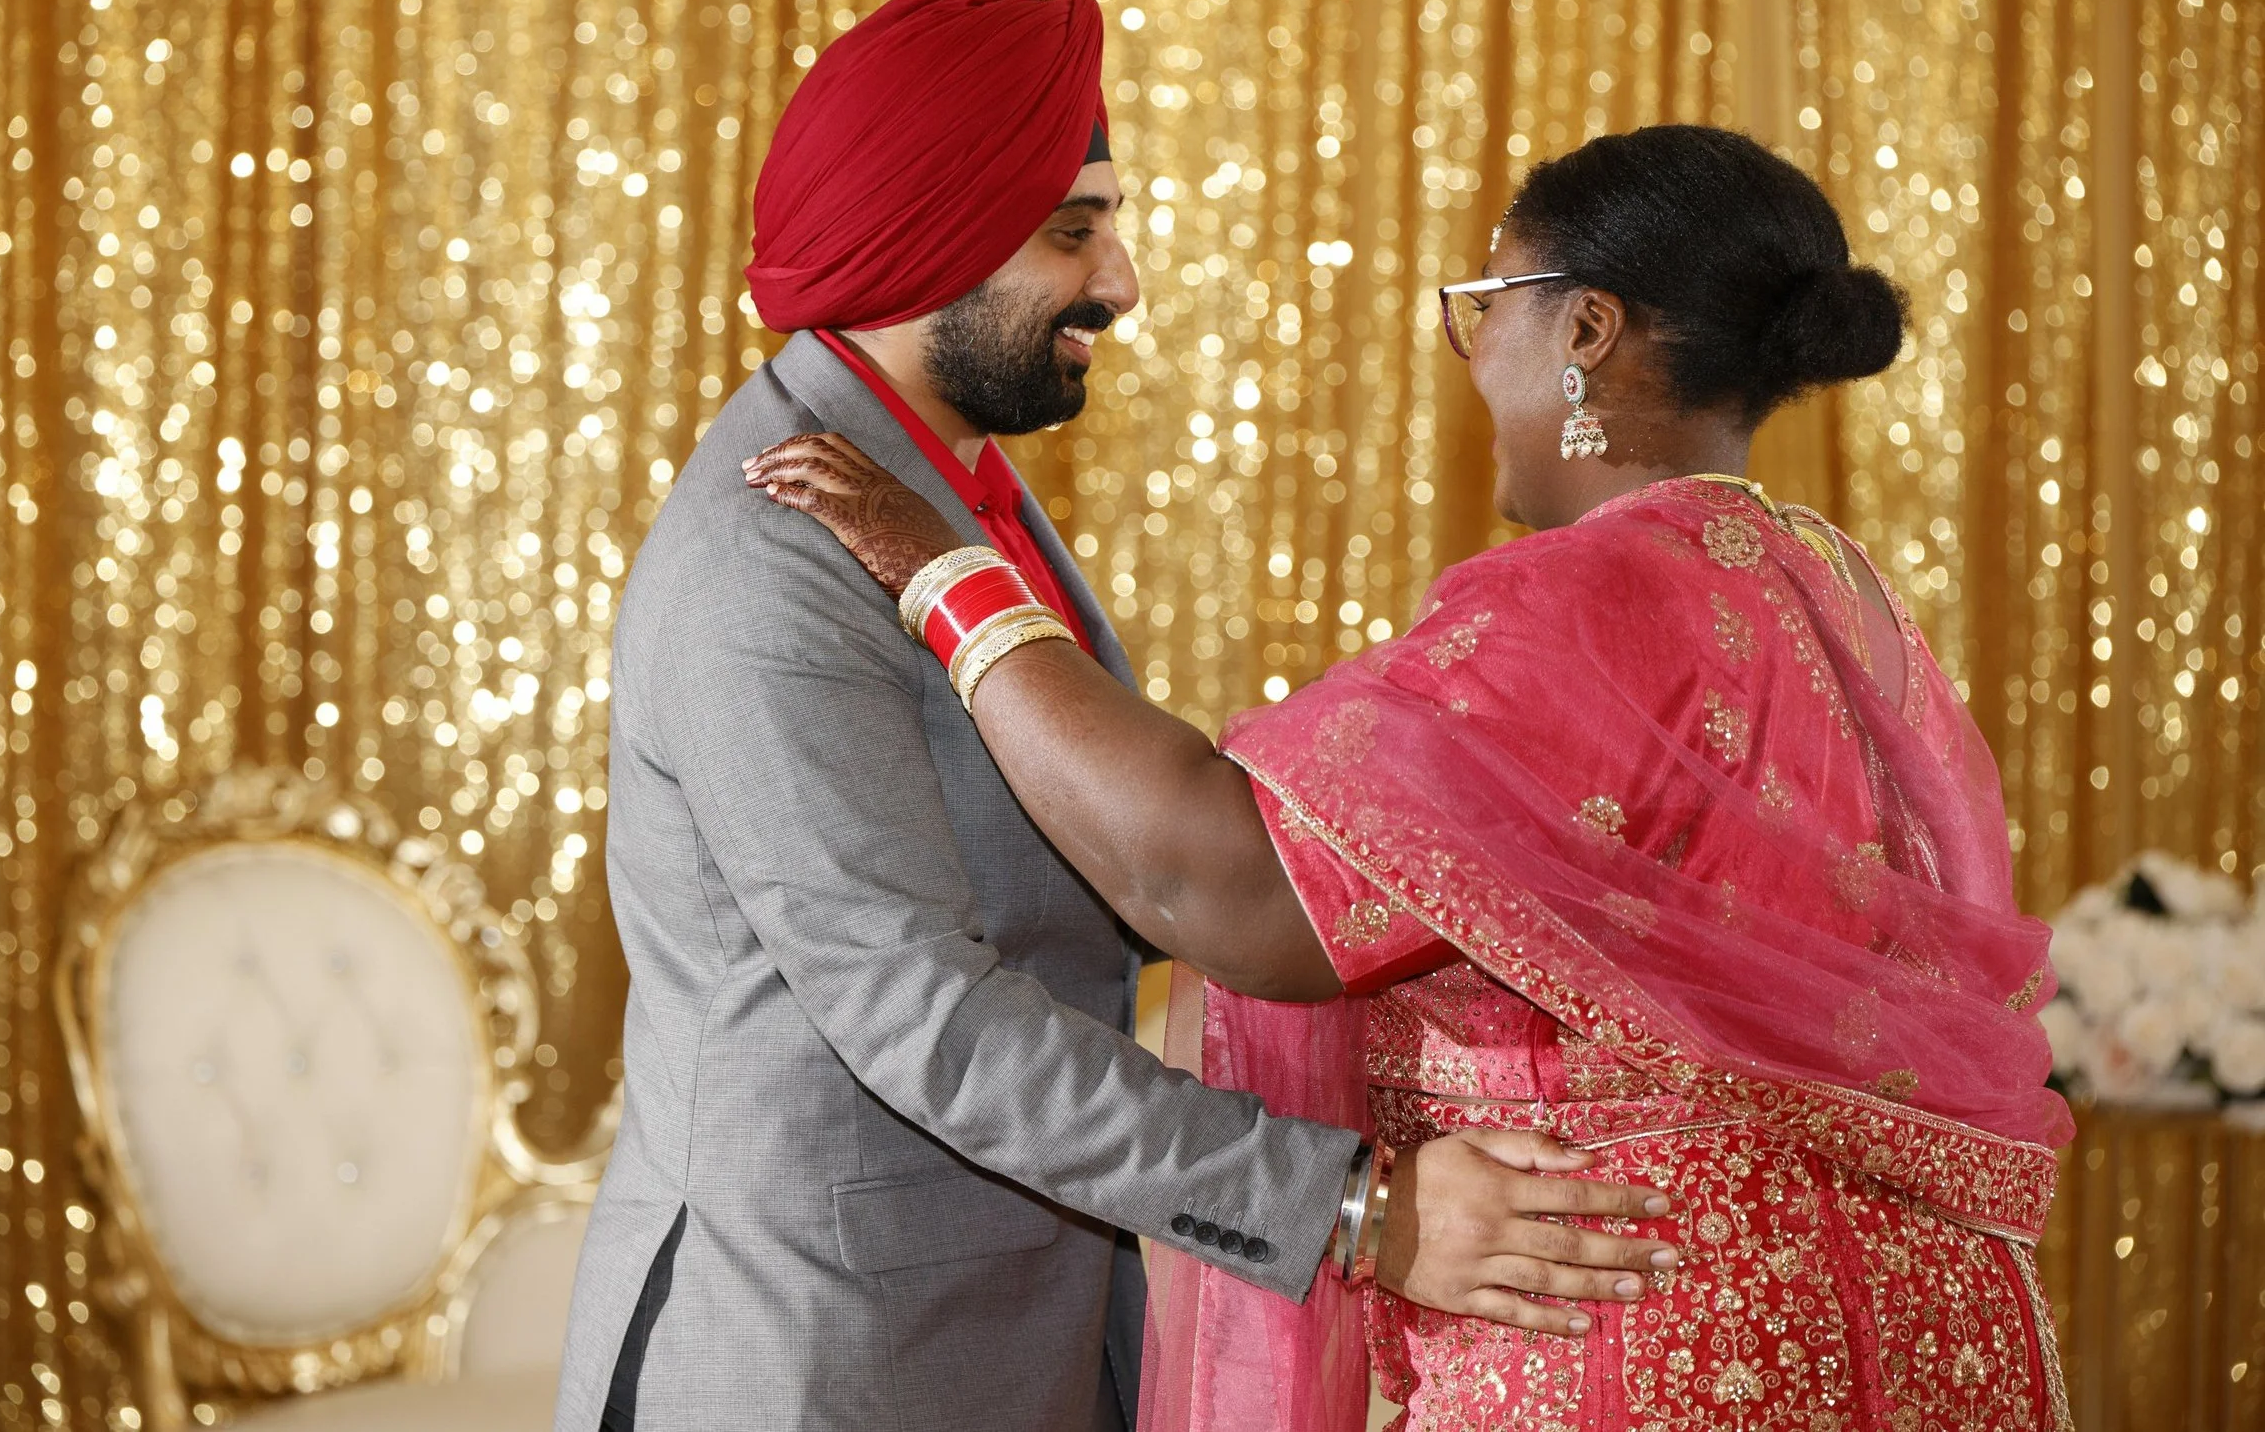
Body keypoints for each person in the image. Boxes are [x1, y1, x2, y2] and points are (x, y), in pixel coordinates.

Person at [750, 123, 2076, 1432]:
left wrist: (950, 581)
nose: (1467, 353)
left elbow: (1217, 876)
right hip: (1934, 1341)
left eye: (1480, 305)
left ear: (1586, 331)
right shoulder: (1838, 599)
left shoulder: (1597, 596)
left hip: (1654, 1338)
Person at [555, 0, 1667, 1432]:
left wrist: (1441, 863)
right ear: (929, 236)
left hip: (1010, 1327)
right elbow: (926, 1018)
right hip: (813, 1357)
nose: (1123, 281)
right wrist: (1355, 1208)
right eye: (1074, 230)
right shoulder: (775, 547)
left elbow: (1095, 863)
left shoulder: (949, 487)